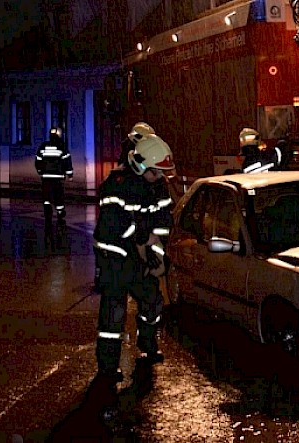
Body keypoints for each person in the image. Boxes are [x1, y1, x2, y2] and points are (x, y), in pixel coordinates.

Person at [92, 133, 175, 384]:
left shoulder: (151, 186)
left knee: (152, 301)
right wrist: (144, 238)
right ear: (140, 165)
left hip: (137, 259)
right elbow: (115, 225)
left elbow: (161, 222)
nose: (159, 177)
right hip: (114, 260)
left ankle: (147, 343)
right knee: (112, 317)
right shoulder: (114, 185)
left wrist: (157, 254)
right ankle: (107, 368)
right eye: (155, 172)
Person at [35, 127, 73, 221]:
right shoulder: (61, 146)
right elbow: (67, 162)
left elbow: (38, 160)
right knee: (58, 194)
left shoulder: (43, 146)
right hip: (58, 177)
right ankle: (60, 212)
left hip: (46, 177)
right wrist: (70, 174)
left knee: (46, 194)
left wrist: (40, 171)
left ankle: (47, 209)